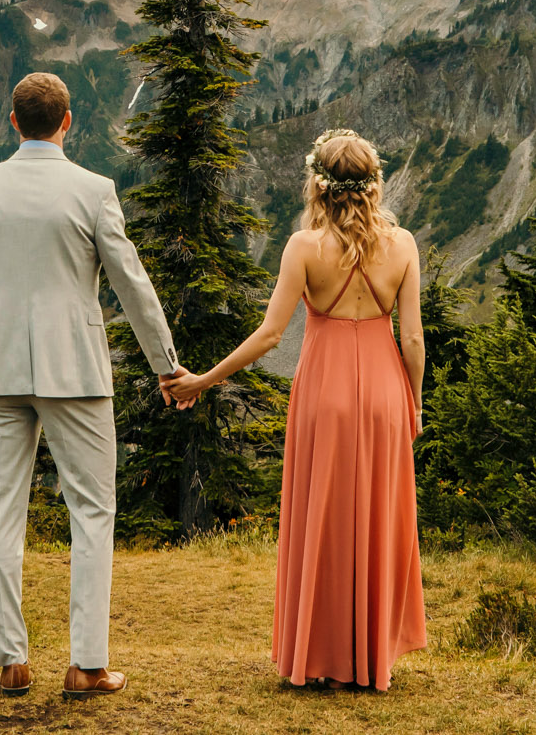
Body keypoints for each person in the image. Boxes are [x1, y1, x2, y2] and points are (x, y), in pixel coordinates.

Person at [0, 72, 185, 700]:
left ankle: (11, 661)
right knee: (93, 512)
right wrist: (166, 364)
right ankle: (87, 665)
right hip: (75, 372)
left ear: (13, 123)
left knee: (0, 510)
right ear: (67, 122)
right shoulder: (93, 191)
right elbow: (132, 285)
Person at [162, 128, 427, 691]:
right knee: (376, 517)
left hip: (323, 392)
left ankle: (320, 656)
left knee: (324, 519)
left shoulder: (303, 248)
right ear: (374, 184)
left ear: (318, 184)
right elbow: (412, 341)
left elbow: (268, 336)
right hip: (384, 393)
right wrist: (415, 404)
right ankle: (369, 659)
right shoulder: (403, 246)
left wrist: (203, 381)